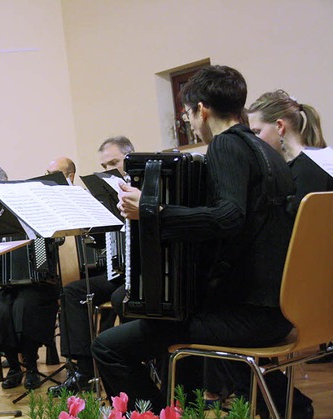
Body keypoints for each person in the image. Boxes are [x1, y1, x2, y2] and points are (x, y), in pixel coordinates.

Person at [91, 65, 297, 412]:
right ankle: (186, 402)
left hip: (248, 318)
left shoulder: (226, 147)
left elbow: (229, 217)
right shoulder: (266, 152)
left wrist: (152, 210)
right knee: (152, 314)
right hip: (278, 311)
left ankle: (162, 413)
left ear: (200, 109)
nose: (190, 120)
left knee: (108, 347)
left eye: (187, 113)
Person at [47, 141, 134, 396]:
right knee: (73, 292)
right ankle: (83, 371)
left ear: (130, 158)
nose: (108, 169)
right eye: (104, 165)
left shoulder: (142, 188)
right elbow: (103, 239)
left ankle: (134, 363)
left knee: (121, 297)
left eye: (114, 163)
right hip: (117, 271)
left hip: (139, 274)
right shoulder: (106, 193)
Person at [0, 163, 60, 390]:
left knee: (24, 307)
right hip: (6, 283)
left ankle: (31, 367)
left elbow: (50, 238)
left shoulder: (28, 205)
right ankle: (14, 366)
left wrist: (42, 251)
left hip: (37, 282)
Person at [248, 90, 332, 212]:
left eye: (257, 132)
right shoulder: (312, 162)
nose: (253, 140)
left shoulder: (309, 168)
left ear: (279, 126)